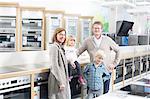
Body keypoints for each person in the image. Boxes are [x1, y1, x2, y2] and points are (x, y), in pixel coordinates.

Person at [77, 21, 120, 94]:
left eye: (98, 28)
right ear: (92, 29)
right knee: (91, 93)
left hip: (105, 71)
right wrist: (71, 59)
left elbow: (118, 50)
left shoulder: (107, 40)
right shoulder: (88, 41)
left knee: (105, 93)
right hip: (93, 73)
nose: (96, 30)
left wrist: (114, 63)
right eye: (95, 28)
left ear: (101, 30)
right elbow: (78, 52)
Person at [48, 28, 71, 99]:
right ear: (56, 35)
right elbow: (54, 66)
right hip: (57, 80)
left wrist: (70, 62)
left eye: (64, 35)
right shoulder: (54, 47)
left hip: (63, 78)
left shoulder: (60, 47)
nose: (63, 36)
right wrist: (60, 82)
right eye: (60, 34)